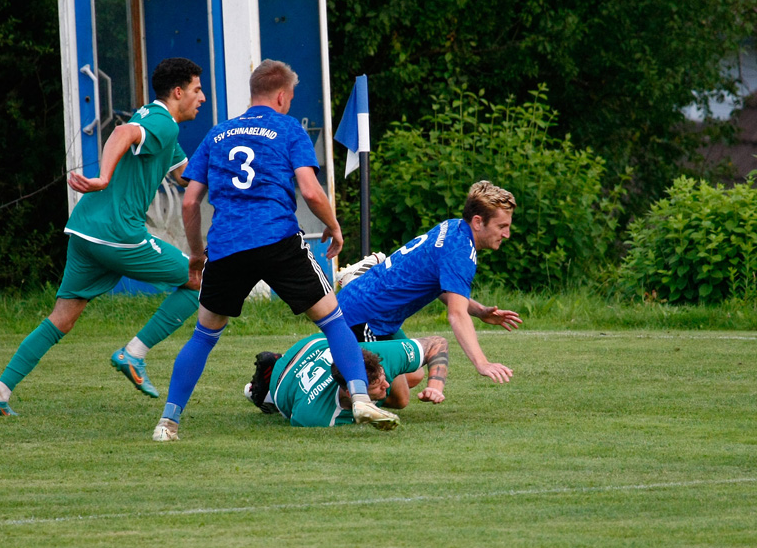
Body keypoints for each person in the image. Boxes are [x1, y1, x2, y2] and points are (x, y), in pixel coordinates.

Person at [152, 59, 397, 441]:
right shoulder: (287, 129)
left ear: (254, 93)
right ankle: (362, 398)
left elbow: (189, 202)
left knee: (203, 335)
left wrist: (198, 254)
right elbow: (311, 191)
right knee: (333, 320)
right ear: (282, 96)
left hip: (228, 244)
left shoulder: (218, 134)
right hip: (276, 238)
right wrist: (333, 227)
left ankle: (168, 422)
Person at [0, 58, 206, 416]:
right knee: (201, 281)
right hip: (117, 232)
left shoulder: (160, 124)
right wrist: (102, 177)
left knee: (62, 318)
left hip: (86, 231)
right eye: (197, 89)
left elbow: (185, 175)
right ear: (178, 92)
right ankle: (133, 354)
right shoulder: (162, 122)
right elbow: (122, 133)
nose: (202, 97)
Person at [336, 181, 521, 384]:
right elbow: (457, 314)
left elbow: (442, 286)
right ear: (478, 222)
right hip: (364, 317)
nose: (506, 234)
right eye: (501, 226)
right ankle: (337, 390)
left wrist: (479, 310)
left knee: (413, 375)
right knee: (394, 393)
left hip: (367, 308)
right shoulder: (461, 253)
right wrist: (482, 363)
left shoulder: (453, 227)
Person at [243, 334, 449, 427]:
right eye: (377, 387)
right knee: (401, 399)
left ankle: (385, 324)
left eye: (383, 378)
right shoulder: (315, 416)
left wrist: (435, 387)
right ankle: (265, 393)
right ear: (352, 393)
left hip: (317, 344)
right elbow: (294, 417)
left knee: (417, 376)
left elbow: (437, 343)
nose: (386, 385)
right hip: (284, 377)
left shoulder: (380, 356)